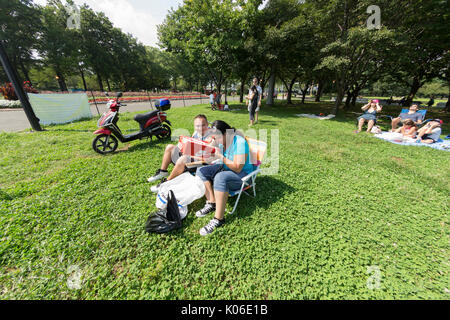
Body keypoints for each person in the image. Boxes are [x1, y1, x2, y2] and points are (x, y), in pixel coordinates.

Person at [195, 120, 255, 236]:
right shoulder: (221, 142)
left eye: (217, 137)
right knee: (201, 170)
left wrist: (221, 156)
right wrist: (210, 148)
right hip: (227, 168)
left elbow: (238, 168)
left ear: (226, 134)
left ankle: (219, 219)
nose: (215, 139)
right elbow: (208, 159)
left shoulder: (239, 142)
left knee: (220, 177)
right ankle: (212, 202)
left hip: (243, 176)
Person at [147, 114, 211, 192]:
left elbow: (208, 157)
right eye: (197, 126)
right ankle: (162, 172)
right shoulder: (196, 133)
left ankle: (166, 183)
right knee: (170, 147)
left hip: (201, 163)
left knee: (183, 158)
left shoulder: (210, 136)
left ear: (207, 124)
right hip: (191, 157)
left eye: (203, 125)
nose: (200, 128)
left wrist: (189, 154)